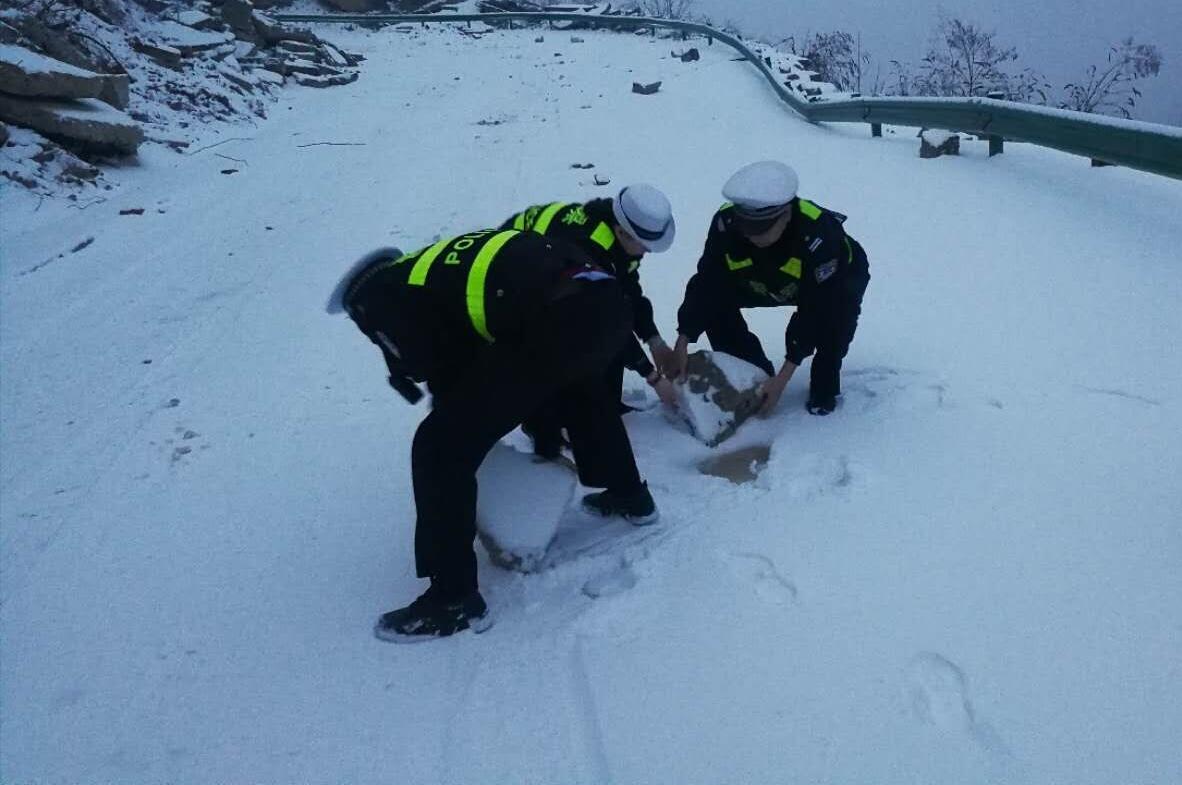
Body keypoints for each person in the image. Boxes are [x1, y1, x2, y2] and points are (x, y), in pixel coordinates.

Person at [328, 228, 658, 642]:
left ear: (360, 306)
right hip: (604, 305)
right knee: (578, 389)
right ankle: (631, 495)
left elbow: (444, 365)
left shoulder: (387, 297)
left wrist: (458, 418)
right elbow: (489, 356)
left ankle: (453, 600)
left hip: (555, 321)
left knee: (438, 447)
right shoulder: (434, 266)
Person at [665, 161, 870, 415]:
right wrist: (683, 338)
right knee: (714, 304)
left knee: (833, 326)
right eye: (746, 227)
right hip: (765, 279)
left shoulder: (818, 234)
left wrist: (783, 378)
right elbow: (708, 281)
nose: (753, 235)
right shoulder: (726, 224)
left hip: (836, 280)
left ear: (786, 214)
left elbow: (817, 310)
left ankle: (825, 379)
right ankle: (751, 373)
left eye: (762, 228)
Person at [500, 185, 679, 456]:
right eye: (644, 246)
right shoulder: (590, 250)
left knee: (603, 320)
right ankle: (545, 430)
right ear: (622, 232)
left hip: (550, 265)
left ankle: (606, 403)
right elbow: (608, 324)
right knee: (559, 343)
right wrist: (653, 378)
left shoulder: (619, 235)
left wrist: (655, 341)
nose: (646, 253)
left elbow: (628, 294)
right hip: (512, 277)